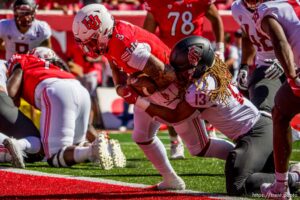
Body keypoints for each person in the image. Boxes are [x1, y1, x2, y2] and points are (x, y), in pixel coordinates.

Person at [73, 4, 235, 190]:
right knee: (142, 136)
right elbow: (113, 60)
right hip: (155, 90)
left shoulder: (126, 46)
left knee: (200, 147)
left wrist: (137, 85)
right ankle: (171, 180)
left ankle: (242, 155)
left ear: (102, 31)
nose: (90, 48)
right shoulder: (110, 37)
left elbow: (166, 75)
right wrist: (120, 87)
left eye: (92, 41)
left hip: (173, 89)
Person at [129, 36, 300, 196]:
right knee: (244, 166)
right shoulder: (208, 73)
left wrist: (138, 100)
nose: (178, 76)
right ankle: (284, 170)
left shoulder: (201, 88)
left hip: (257, 133)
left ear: (199, 67)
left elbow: (175, 116)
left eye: (182, 72)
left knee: (238, 185)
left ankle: (294, 178)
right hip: (256, 131)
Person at [5, 47, 123, 170]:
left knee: (54, 155)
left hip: (55, 90)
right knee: (78, 144)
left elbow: (11, 92)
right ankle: (106, 148)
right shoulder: (59, 68)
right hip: (80, 89)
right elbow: (87, 126)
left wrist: (9, 108)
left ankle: (92, 151)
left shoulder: (25, 59)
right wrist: (97, 138)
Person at [142, 0, 225, 158]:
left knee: (206, 93)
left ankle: (210, 130)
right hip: (170, 58)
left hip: (198, 57)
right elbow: (148, 32)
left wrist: (219, 48)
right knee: (173, 100)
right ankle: (175, 142)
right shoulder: (156, 3)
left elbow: (216, 19)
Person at [237, 0, 300, 199]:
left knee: (280, 113)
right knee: (277, 111)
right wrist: (245, 65)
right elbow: (249, 37)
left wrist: (291, 75)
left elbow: (281, 41)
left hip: (292, 66)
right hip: (276, 65)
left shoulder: (267, 10)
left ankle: (282, 185)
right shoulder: (241, 9)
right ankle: (283, 183)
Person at [0, 0, 52, 126]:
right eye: (21, 13)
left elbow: (48, 53)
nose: (25, 17)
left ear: (34, 12)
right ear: (14, 13)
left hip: (31, 70)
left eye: (28, 13)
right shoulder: (4, 26)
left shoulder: (42, 28)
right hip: (10, 68)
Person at [0, 59, 43, 168]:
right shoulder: (18, 62)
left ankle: (9, 149)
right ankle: (15, 147)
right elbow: (11, 92)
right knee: (38, 146)